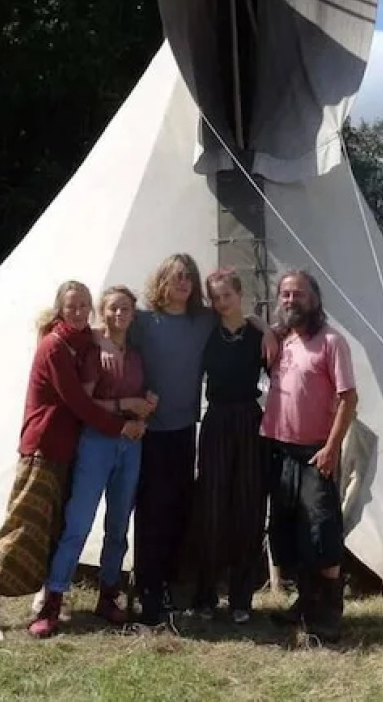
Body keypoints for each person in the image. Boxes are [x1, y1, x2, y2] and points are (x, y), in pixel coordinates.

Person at [0, 281, 143, 641]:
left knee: (62, 527)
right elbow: (79, 403)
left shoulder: (86, 342)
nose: (80, 311)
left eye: (85, 305)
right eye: (73, 306)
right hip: (43, 446)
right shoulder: (56, 346)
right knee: (25, 525)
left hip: (68, 450)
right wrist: (124, 420)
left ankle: (83, 595)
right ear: (60, 309)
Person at [29, 285, 155, 637]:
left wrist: (143, 410)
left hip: (130, 444)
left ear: (133, 314)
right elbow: (83, 404)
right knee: (79, 522)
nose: (119, 315)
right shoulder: (92, 351)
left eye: (125, 309)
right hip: (98, 442)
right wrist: (125, 406)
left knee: (118, 525)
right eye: (113, 309)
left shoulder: (135, 354)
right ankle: (54, 600)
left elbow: (137, 400)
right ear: (103, 312)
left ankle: (108, 594)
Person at [261, 268, 358, 643]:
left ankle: (330, 613)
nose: (290, 300)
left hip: (316, 451)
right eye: (285, 294)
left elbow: (349, 397)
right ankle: (305, 604)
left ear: (314, 298)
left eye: (297, 294)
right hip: (280, 450)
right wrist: (266, 326)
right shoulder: (283, 340)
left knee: (322, 533)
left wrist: (332, 447)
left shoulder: (332, 341)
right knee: (290, 532)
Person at [126, 252, 212, 626]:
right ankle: (148, 586)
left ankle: (170, 582)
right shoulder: (144, 321)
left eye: (189, 278)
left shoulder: (202, 321)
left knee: (178, 509)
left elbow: (237, 317)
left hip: (183, 429)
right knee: (152, 512)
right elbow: (110, 340)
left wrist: (263, 324)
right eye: (177, 276)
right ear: (162, 281)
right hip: (150, 431)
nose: (183, 283)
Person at [188, 268, 271, 623]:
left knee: (249, 508)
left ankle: (241, 598)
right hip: (217, 420)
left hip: (250, 422)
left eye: (227, 295)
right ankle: (205, 595)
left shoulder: (258, 333)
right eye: (216, 297)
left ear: (240, 293)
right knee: (212, 507)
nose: (222, 303)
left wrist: (266, 327)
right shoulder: (207, 331)